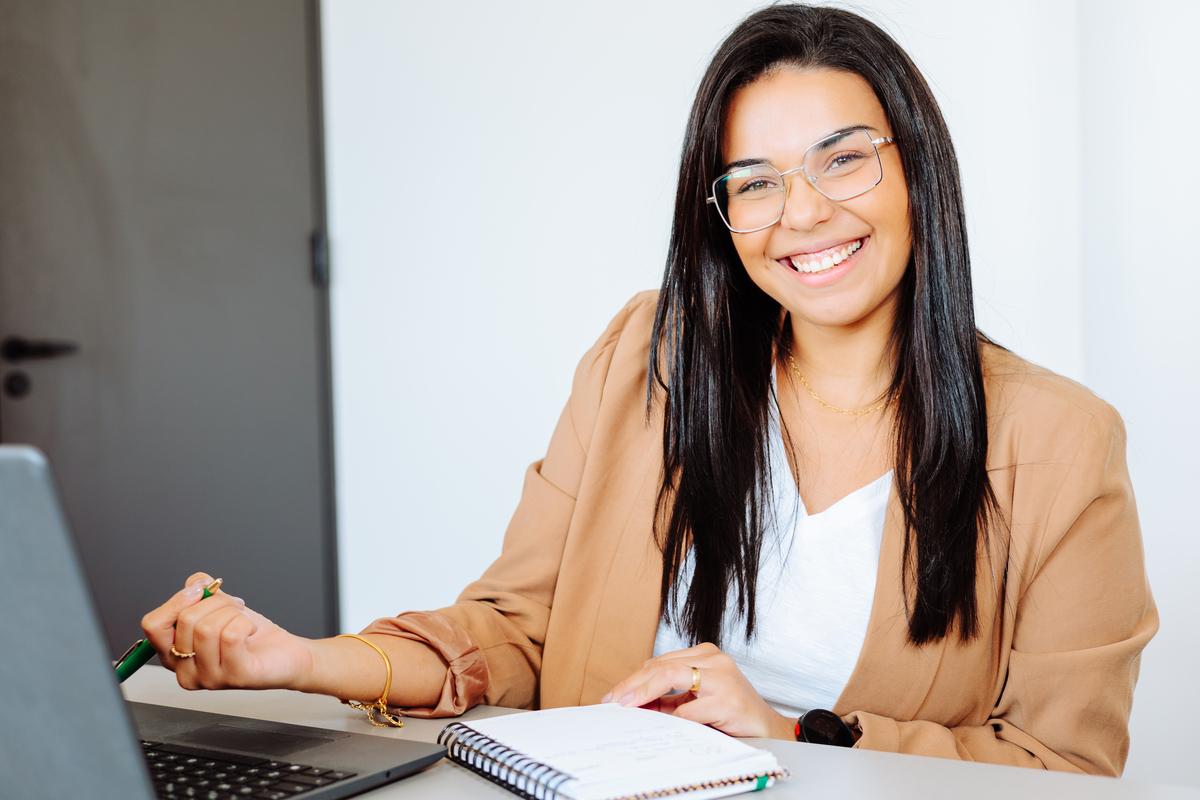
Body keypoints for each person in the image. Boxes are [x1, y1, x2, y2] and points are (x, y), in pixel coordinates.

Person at [141, 4, 1155, 775]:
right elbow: (517, 629)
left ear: (916, 171)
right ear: (720, 213)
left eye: (842, 161)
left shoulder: (1063, 441)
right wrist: (302, 662)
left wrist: (791, 732)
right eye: (754, 181)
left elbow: (1061, 770)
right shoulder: (648, 354)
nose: (800, 213)